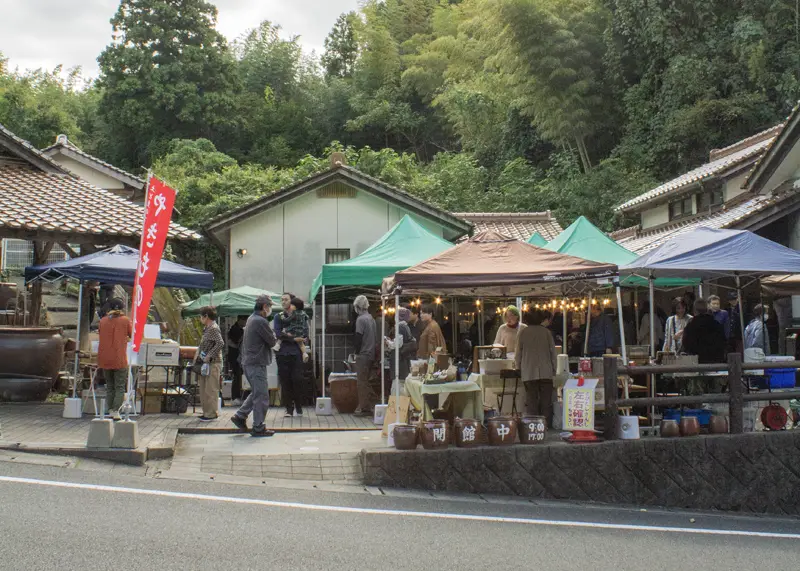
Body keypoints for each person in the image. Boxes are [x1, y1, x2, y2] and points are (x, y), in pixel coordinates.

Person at [231, 295, 277, 437]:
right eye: (269, 306)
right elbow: (272, 341)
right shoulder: (260, 321)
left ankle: (240, 416)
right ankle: (258, 427)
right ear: (264, 307)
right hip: (256, 362)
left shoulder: (251, 318)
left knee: (257, 392)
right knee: (262, 395)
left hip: (249, 362)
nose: (270, 309)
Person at [516, 310, 557, 427]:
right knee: (546, 401)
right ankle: (546, 425)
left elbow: (518, 353)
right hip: (546, 371)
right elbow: (553, 353)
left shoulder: (523, 333)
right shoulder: (546, 332)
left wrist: (518, 367)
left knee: (531, 400)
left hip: (529, 371)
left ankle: (532, 425)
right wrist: (554, 369)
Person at [274, 293, 309, 418]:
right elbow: (278, 334)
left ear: (292, 301)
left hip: (296, 353)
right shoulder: (279, 316)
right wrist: (294, 339)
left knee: (298, 379)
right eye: (282, 300)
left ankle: (299, 406)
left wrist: (291, 337)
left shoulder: (300, 315)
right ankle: (288, 408)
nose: (283, 302)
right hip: (282, 353)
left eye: (286, 299)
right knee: (285, 380)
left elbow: (305, 334)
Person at [96, 298, 132, 419]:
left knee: (110, 385)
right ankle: (116, 410)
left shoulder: (103, 321)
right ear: (122, 309)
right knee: (120, 386)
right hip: (119, 358)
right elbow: (132, 335)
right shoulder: (125, 320)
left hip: (105, 358)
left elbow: (100, 334)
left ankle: (110, 409)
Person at [196, 306, 224, 421]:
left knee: (211, 389)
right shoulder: (207, 328)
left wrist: (209, 355)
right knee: (204, 388)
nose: (200, 319)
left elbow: (220, 343)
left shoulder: (213, 328)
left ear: (206, 316)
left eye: (201, 316)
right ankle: (206, 412)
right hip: (205, 362)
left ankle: (211, 413)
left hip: (213, 362)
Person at [353, 295, 378, 417]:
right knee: (367, 381)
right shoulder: (371, 318)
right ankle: (372, 402)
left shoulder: (360, 319)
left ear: (358, 307)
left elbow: (358, 338)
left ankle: (365, 408)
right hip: (371, 353)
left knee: (361, 382)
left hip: (363, 354)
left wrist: (355, 353)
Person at [681, 299, 726, 363]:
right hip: (715, 362)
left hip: (697, 362)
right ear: (707, 310)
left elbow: (686, 345)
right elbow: (723, 342)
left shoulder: (690, 326)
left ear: (694, 310)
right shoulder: (717, 324)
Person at [227, 315, 248, 406]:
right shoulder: (235, 329)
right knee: (237, 376)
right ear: (239, 320)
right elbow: (236, 342)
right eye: (244, 320)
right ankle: (235, 397)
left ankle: (240, 396)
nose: (245, 323)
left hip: (240, 357)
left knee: (240, 376)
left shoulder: (240, 329)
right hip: (235, 357)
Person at [392, 307, 417, 382]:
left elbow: (398, 344)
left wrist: (389, 343)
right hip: (405, 357)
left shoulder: (400, 327)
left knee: (400, 381)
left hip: (400, 358)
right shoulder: (406, 326)